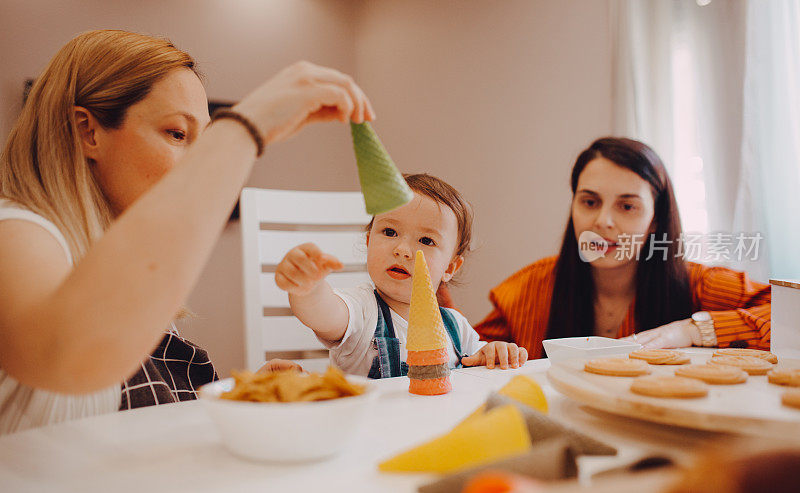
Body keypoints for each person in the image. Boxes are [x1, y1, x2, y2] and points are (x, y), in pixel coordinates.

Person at [0, 29, 374, 434]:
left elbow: (125, 416)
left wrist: (241, 395)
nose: (197, 159)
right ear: (87, 131)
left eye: (204, 138)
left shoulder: (114, 260)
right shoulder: (16, 230)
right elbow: (67, 356)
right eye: (177, 134)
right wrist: (245, 127)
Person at [475, 137, 771, 359]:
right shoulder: (530, 287)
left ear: (656, 219)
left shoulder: (699, 285)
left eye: (627, 206)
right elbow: (461, 353)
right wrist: (487, 354)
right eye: (589, 202)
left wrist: (691, 331)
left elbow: (787, 316)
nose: (603, 221)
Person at [275, 173, 528, 377]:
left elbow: (479, 367)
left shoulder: (455, 326)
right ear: (368, 241)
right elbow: (323, 313)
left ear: (450, 268)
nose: (403, 250)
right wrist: (309, 288)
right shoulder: (363, 309)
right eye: (389, 232)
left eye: (426, 240)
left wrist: (493, 354)